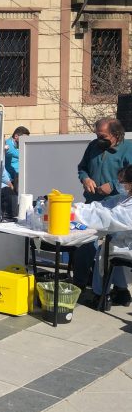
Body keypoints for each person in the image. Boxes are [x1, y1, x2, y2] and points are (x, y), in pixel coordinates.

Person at [74, 118, 132, 289]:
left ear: (116, 135)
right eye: (97, 135)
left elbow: (130, 175)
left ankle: (116, 289)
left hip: (117, 206)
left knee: (110, 250)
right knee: (84, 244)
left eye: (103, 136)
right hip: (94, 203)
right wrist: (85, 179)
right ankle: (79, 284)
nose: (99, 139)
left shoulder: (128, 149)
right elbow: (82, 168)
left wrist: (112, 185)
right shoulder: (93, 146)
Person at [74, 165, 132, 307]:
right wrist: (77, 207)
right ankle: (122, 292)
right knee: (113, 247)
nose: (120, 185)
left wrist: (77, 215)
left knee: (105, 251)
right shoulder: (125, 198)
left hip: (129, 246)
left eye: (122, 182)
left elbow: (107, 218)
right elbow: (103, 206)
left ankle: (100, 296)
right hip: (125, 243)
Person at [2, 126, 29, 217]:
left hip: (17, 177)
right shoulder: (8, 144)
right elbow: (8, 151)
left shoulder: (18, 145)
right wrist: (25, 151)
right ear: (16, 136)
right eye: (24, 138)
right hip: (8, 180)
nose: (25, 141)